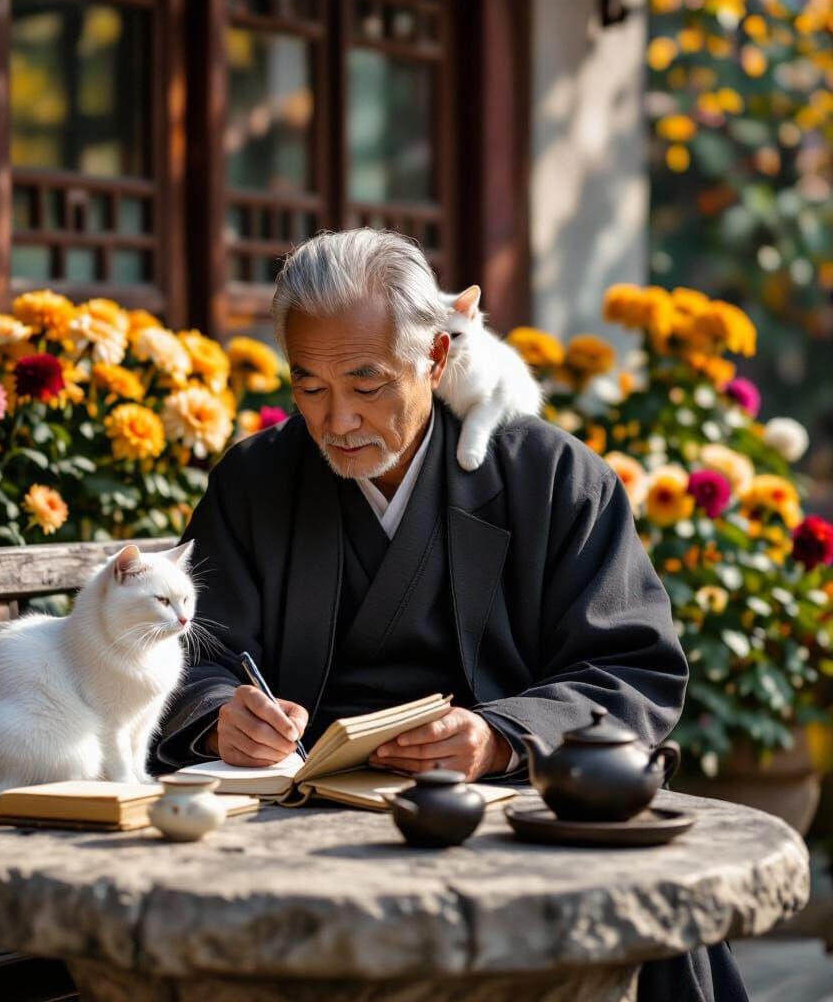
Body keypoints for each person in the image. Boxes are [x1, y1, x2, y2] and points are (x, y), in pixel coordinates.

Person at [155, 228, 747, 1001]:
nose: (336, 423)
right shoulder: (257, 480)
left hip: (501, 815)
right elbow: (182, 655)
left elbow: (632, 666)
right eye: (309, 387)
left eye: (366, 385)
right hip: (290, 825)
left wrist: (499, 737)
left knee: (644, 904)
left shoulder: (551, 478)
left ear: (436, 358)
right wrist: (216, 718)